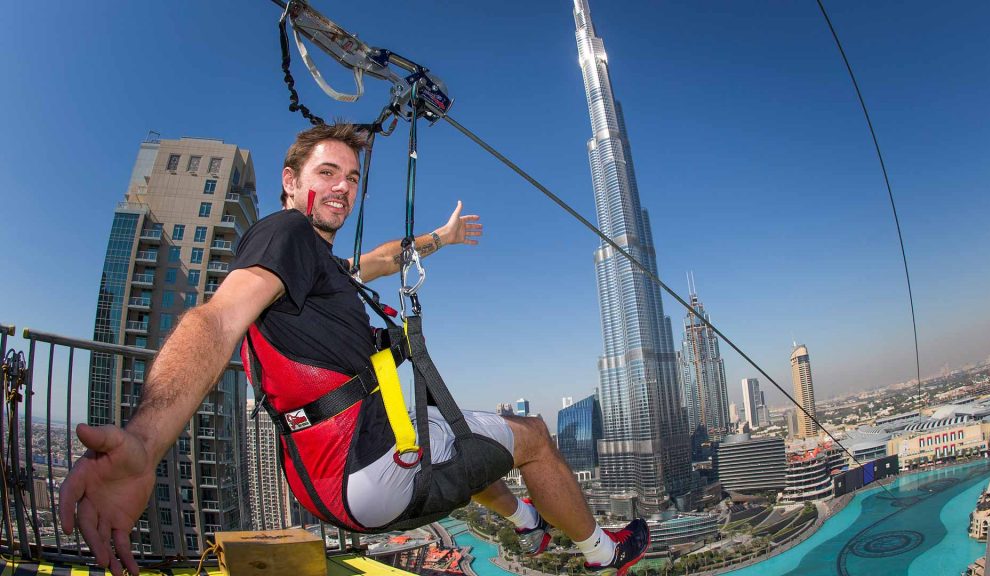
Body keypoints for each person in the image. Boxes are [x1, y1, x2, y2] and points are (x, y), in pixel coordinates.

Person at [58, 123, 649, 576]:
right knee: (535, 436)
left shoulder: (315, 265)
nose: (342, 187)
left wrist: (439, 239)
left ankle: (526, 523)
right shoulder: (284, 234)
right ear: (292, 182)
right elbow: (216, 320)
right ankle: (602, 552)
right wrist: (143, 441)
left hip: (335, 479)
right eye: (326, 173)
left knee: (454, 430)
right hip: (371, 465)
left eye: (352, 178)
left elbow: (377, 261)